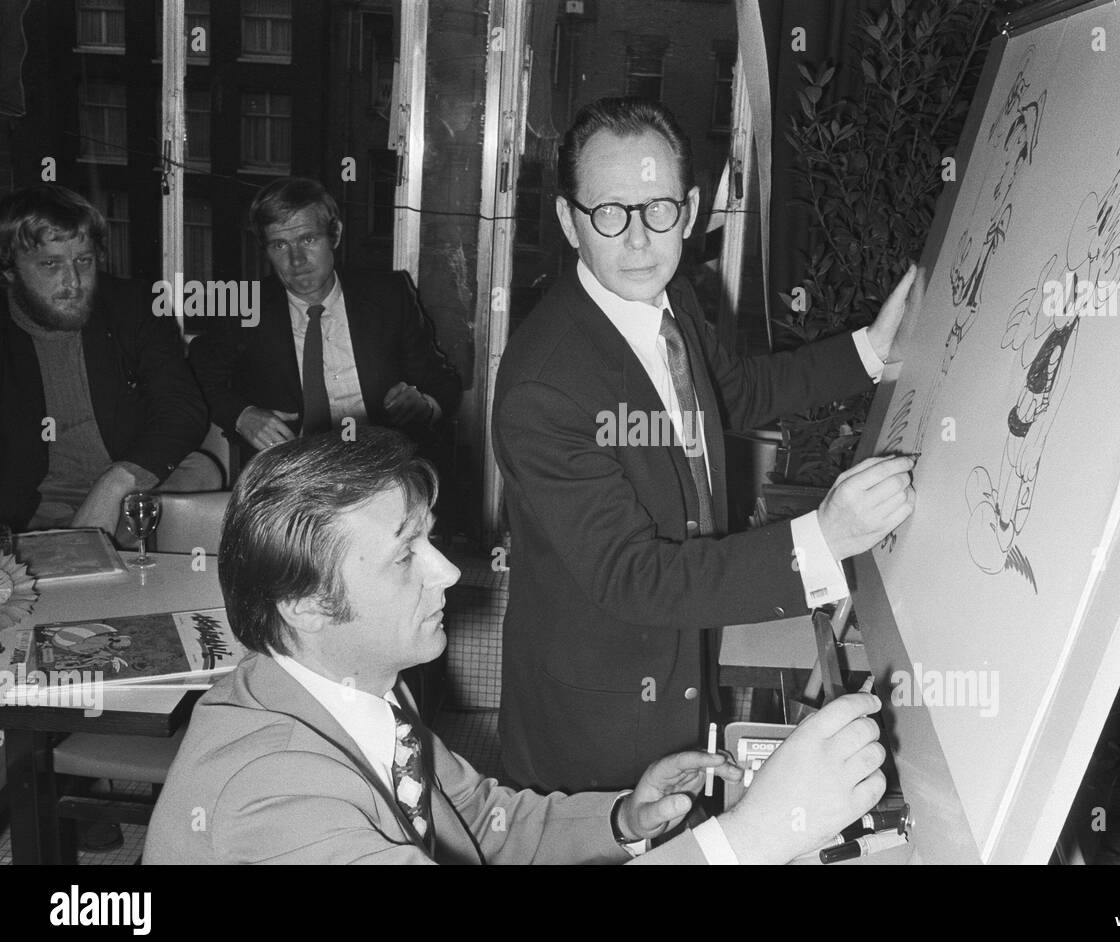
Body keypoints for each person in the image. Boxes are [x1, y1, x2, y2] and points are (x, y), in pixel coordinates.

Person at [142, 429, 889, 865]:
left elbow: (482, 818)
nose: (445, 570)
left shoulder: (355, 687)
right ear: (305, 603)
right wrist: (748, 837)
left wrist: (625, 818)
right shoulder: (274, 796)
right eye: (407, 554)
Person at [492, 97, 918, 793]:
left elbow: (738, 392)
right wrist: (822, 538)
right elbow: (634, 576)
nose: (637, 240)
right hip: (592, 734)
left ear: (689, 211)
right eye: (609, 213)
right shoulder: (544, 387)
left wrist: (870, 349)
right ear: (570, 221)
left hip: (682, 674)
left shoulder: (672, 296)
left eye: (658, 209)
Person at [187, 177, 461, 469]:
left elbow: (441, 379)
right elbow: (194, 379)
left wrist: (425, 406)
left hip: (382, 465)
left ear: (335, 235)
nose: (297, 259)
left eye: (308, 239)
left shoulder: (388, 295)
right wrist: (242, 415)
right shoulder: (242, 305)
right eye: (280, 245)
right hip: (289, 473)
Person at [0, 184, 212, 534]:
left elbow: (182, 409)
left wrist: (113, 485)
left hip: (132, 488)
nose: (73, 282)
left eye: (83, 261)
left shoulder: (134, 304)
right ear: (9, 272)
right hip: (35, 505)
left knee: (201, 472)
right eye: (51, 264)